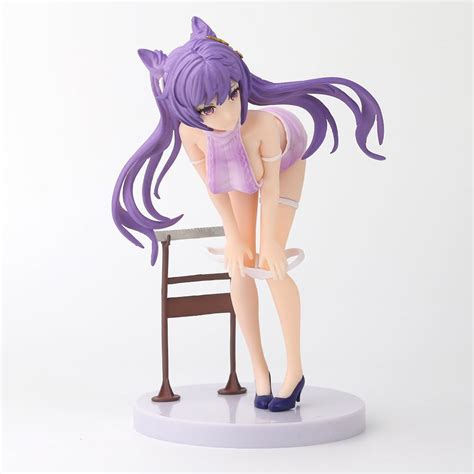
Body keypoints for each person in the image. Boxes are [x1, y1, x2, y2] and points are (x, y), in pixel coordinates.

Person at [111, 16, 386, 411]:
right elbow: (214, 186)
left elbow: (270, 186)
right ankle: (260, 371)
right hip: (238, 173)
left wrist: (270, 240)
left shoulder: (262, 127)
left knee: (270, 265)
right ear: (188, 110)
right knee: (239, 265)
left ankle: (294, 370)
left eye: (233, 93)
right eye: (209, 108)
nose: (227, 114)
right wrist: (234, 236)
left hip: (283, 165)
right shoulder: (191, 133)